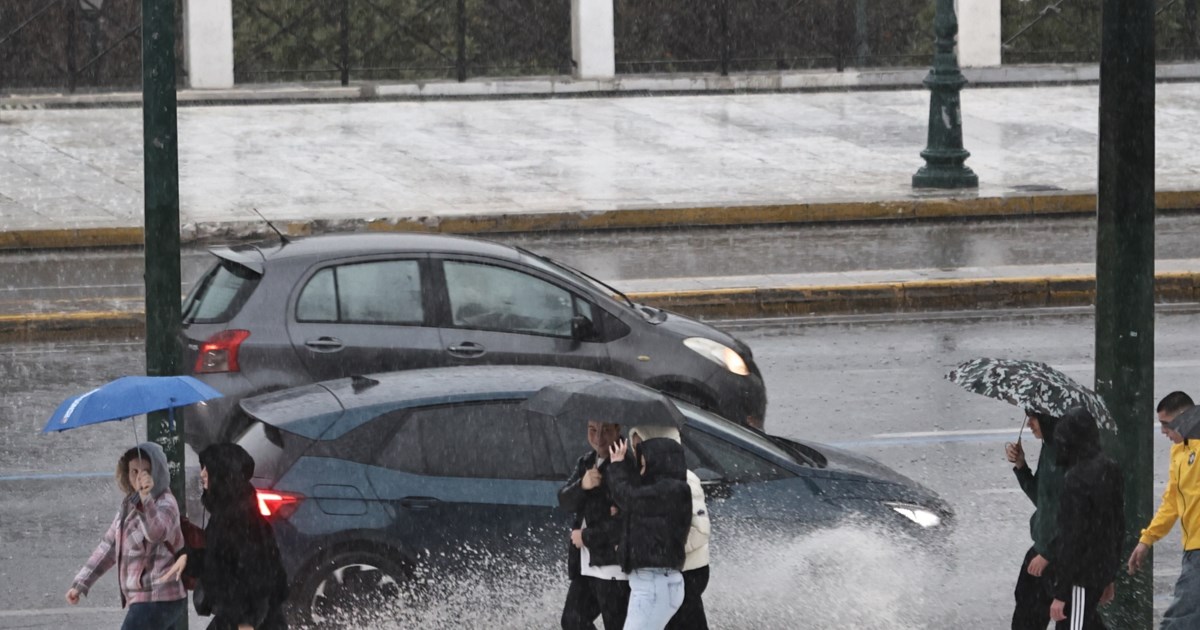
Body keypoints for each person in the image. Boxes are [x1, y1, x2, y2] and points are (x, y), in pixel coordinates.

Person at [162, 443, 288, 630]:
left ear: (223, 474)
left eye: (208, 468)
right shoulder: (228, 511)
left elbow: (255, 571)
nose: (202, 474)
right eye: (202, 467)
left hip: (248, 620)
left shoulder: (240, 517)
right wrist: (188, 557)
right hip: (236, 616)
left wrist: (246, 620)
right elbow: (221, 557)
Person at [65, 442, 187, 630]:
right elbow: (109, 546)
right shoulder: (128, 505)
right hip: (144, 599)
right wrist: (81, 583)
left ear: (157, 472)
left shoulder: (166, 503)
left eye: (146, 471)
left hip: (159, 597)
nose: (139, 477)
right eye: (134, 471)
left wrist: (146, 499)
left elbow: (156, 533)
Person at [1127, 391, 1200, 629]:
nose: (1163, 432)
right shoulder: (1179, 452)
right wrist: (1147, 539)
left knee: (1180, 619)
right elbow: (1171, 502)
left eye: (1166, 425)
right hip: (1192, 549)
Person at [1048, 406, 1124, 629]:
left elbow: (1072, 537)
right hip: (1098, 570)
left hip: (1080, 578)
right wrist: (1109, 574)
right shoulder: (1110, 469)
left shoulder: (1076, 478)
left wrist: (1061, 592)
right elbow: (1117, 527)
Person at [629, 426, 710, 630]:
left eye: (641, 447)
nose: (637, 453)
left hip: (689, 570)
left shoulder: (686, 480)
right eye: (634, 447)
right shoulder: (644, 481)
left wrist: (665, 550)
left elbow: (700, 530)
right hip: (664, 571)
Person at [608, 436, 692, 630]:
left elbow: (630, 498)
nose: (642, 472)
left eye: (645, 466)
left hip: (654, 584)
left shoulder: (673, 490)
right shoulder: (663, 492)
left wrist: (617, 466)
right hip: (652, 582)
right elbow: (645, 518)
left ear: (660, 464)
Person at [558, 420, 630, 630]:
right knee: (573, 620)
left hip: (612, 566)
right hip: (586, 565)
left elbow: (625, 521)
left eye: (606, 430)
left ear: (618, 429)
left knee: (616, 625)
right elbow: (564, 500)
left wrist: (587, 536)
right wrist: (583, 485)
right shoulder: (586, 462)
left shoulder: (625, 465)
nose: (598, 437)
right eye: (592, 430)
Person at [1005, 411, 1066, 630]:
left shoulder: (1064, 454)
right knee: (1025, 614)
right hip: (1040, 549)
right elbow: (1042, 499)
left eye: (1033, 418)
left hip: (1055, 555)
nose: (1029, 424)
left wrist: (1048, 555)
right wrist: (1021, 466)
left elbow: (1071, 516)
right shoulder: (1048, 447)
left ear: (1048, 419)